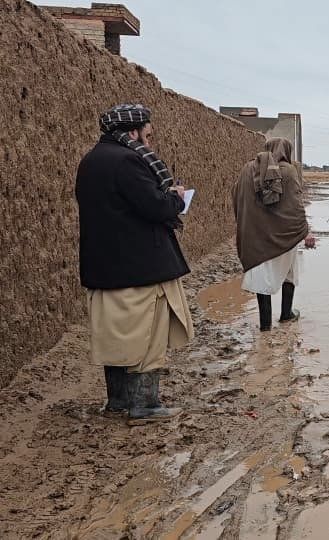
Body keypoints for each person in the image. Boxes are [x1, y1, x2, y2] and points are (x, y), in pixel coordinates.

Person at [76, 103, 192, 425]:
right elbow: (155, 207)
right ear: (132, 133)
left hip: (104, 268)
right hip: (141, 268)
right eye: (147, 136)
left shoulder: (90, 160)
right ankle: (145, 406)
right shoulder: (128, 161)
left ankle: (118, 401)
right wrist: (176, 197)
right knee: (147, 336)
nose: (149, 142)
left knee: (114, 335)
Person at [234, 138, 311, 332]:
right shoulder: (289, 171)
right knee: (289, 272)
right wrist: (304, 231)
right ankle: (286, 314)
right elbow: (295, 205)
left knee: (262, 277)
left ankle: (265, 325)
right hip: (285, 234)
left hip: (256, 235)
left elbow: (237, 197)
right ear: (287, 151)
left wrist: (247, 225)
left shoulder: (247, 170)